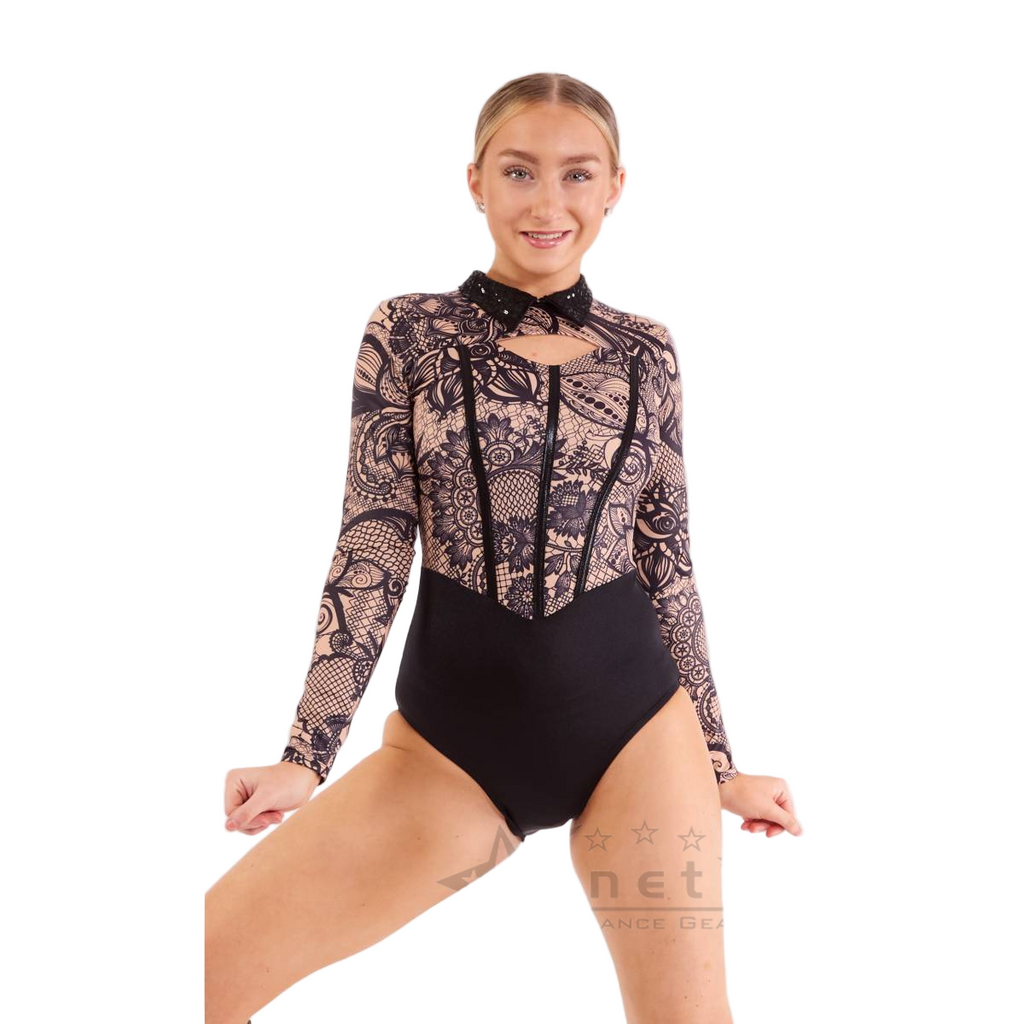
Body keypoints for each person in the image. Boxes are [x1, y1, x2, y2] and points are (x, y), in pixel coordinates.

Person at [206, 72, 803, 1024]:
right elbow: (373, 540)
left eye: (578, 174)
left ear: (615, 187)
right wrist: (305, 756)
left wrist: (722, 767)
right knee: (201, 975)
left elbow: (669, 563)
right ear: (476, 180)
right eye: (520, 172)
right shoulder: (409, 331)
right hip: (452, 749)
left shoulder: (647, 350)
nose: (547, 203)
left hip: (640, 733)